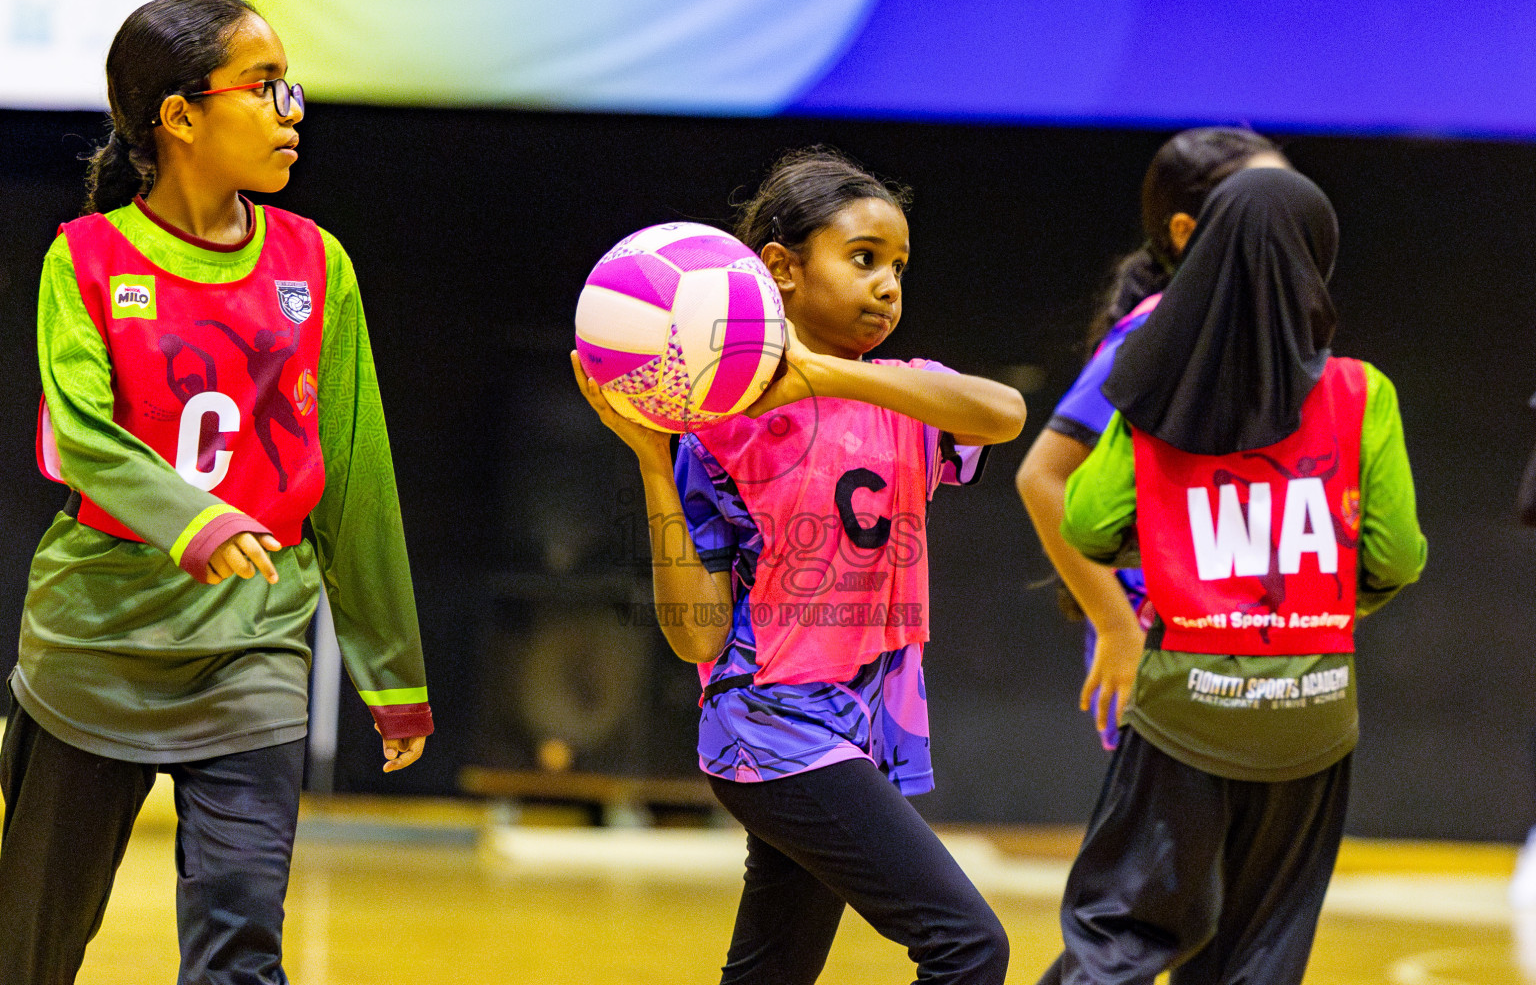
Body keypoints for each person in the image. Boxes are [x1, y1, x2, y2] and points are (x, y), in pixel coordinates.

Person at [0, 0, 432, 985]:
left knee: (241, 953)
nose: (293, 108)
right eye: (265, 84)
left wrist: (393, 672)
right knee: (30, 953)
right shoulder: (91, 258)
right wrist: (192, 519)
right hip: (93, 649)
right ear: (179, 114)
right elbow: (79, 434)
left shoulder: (317, 265)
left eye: (294, 84)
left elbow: (357, 476)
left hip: (254, 648)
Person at [573, 146, 1025, 984]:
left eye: (899, 265)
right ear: (780, 269)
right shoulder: (716, 431)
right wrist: (649, 460)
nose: (888, 283)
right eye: (863, 260)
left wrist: (822, 375)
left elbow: (1004, 413)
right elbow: (696, 639)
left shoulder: (908, 393)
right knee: (969, 948)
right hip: (773, 728)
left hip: (857, 729)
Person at [1037, 166, 1426, 985]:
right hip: (1313, 711)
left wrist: (1177, 555)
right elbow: (1395, 557)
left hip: (1184, 705)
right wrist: (1317, 605)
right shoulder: (1362, 392)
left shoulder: (1155, 379)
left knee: (1121, 935)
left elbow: (1088, 524)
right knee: (1259, 953)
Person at [1015, 127, 1287, 749]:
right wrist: (1117, 629)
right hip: (1160, 653)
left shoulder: (1263, 338)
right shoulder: (1154, 336)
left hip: (1242, 650)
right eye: (1256, 203)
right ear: (1188, 232)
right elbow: (1041, 476)